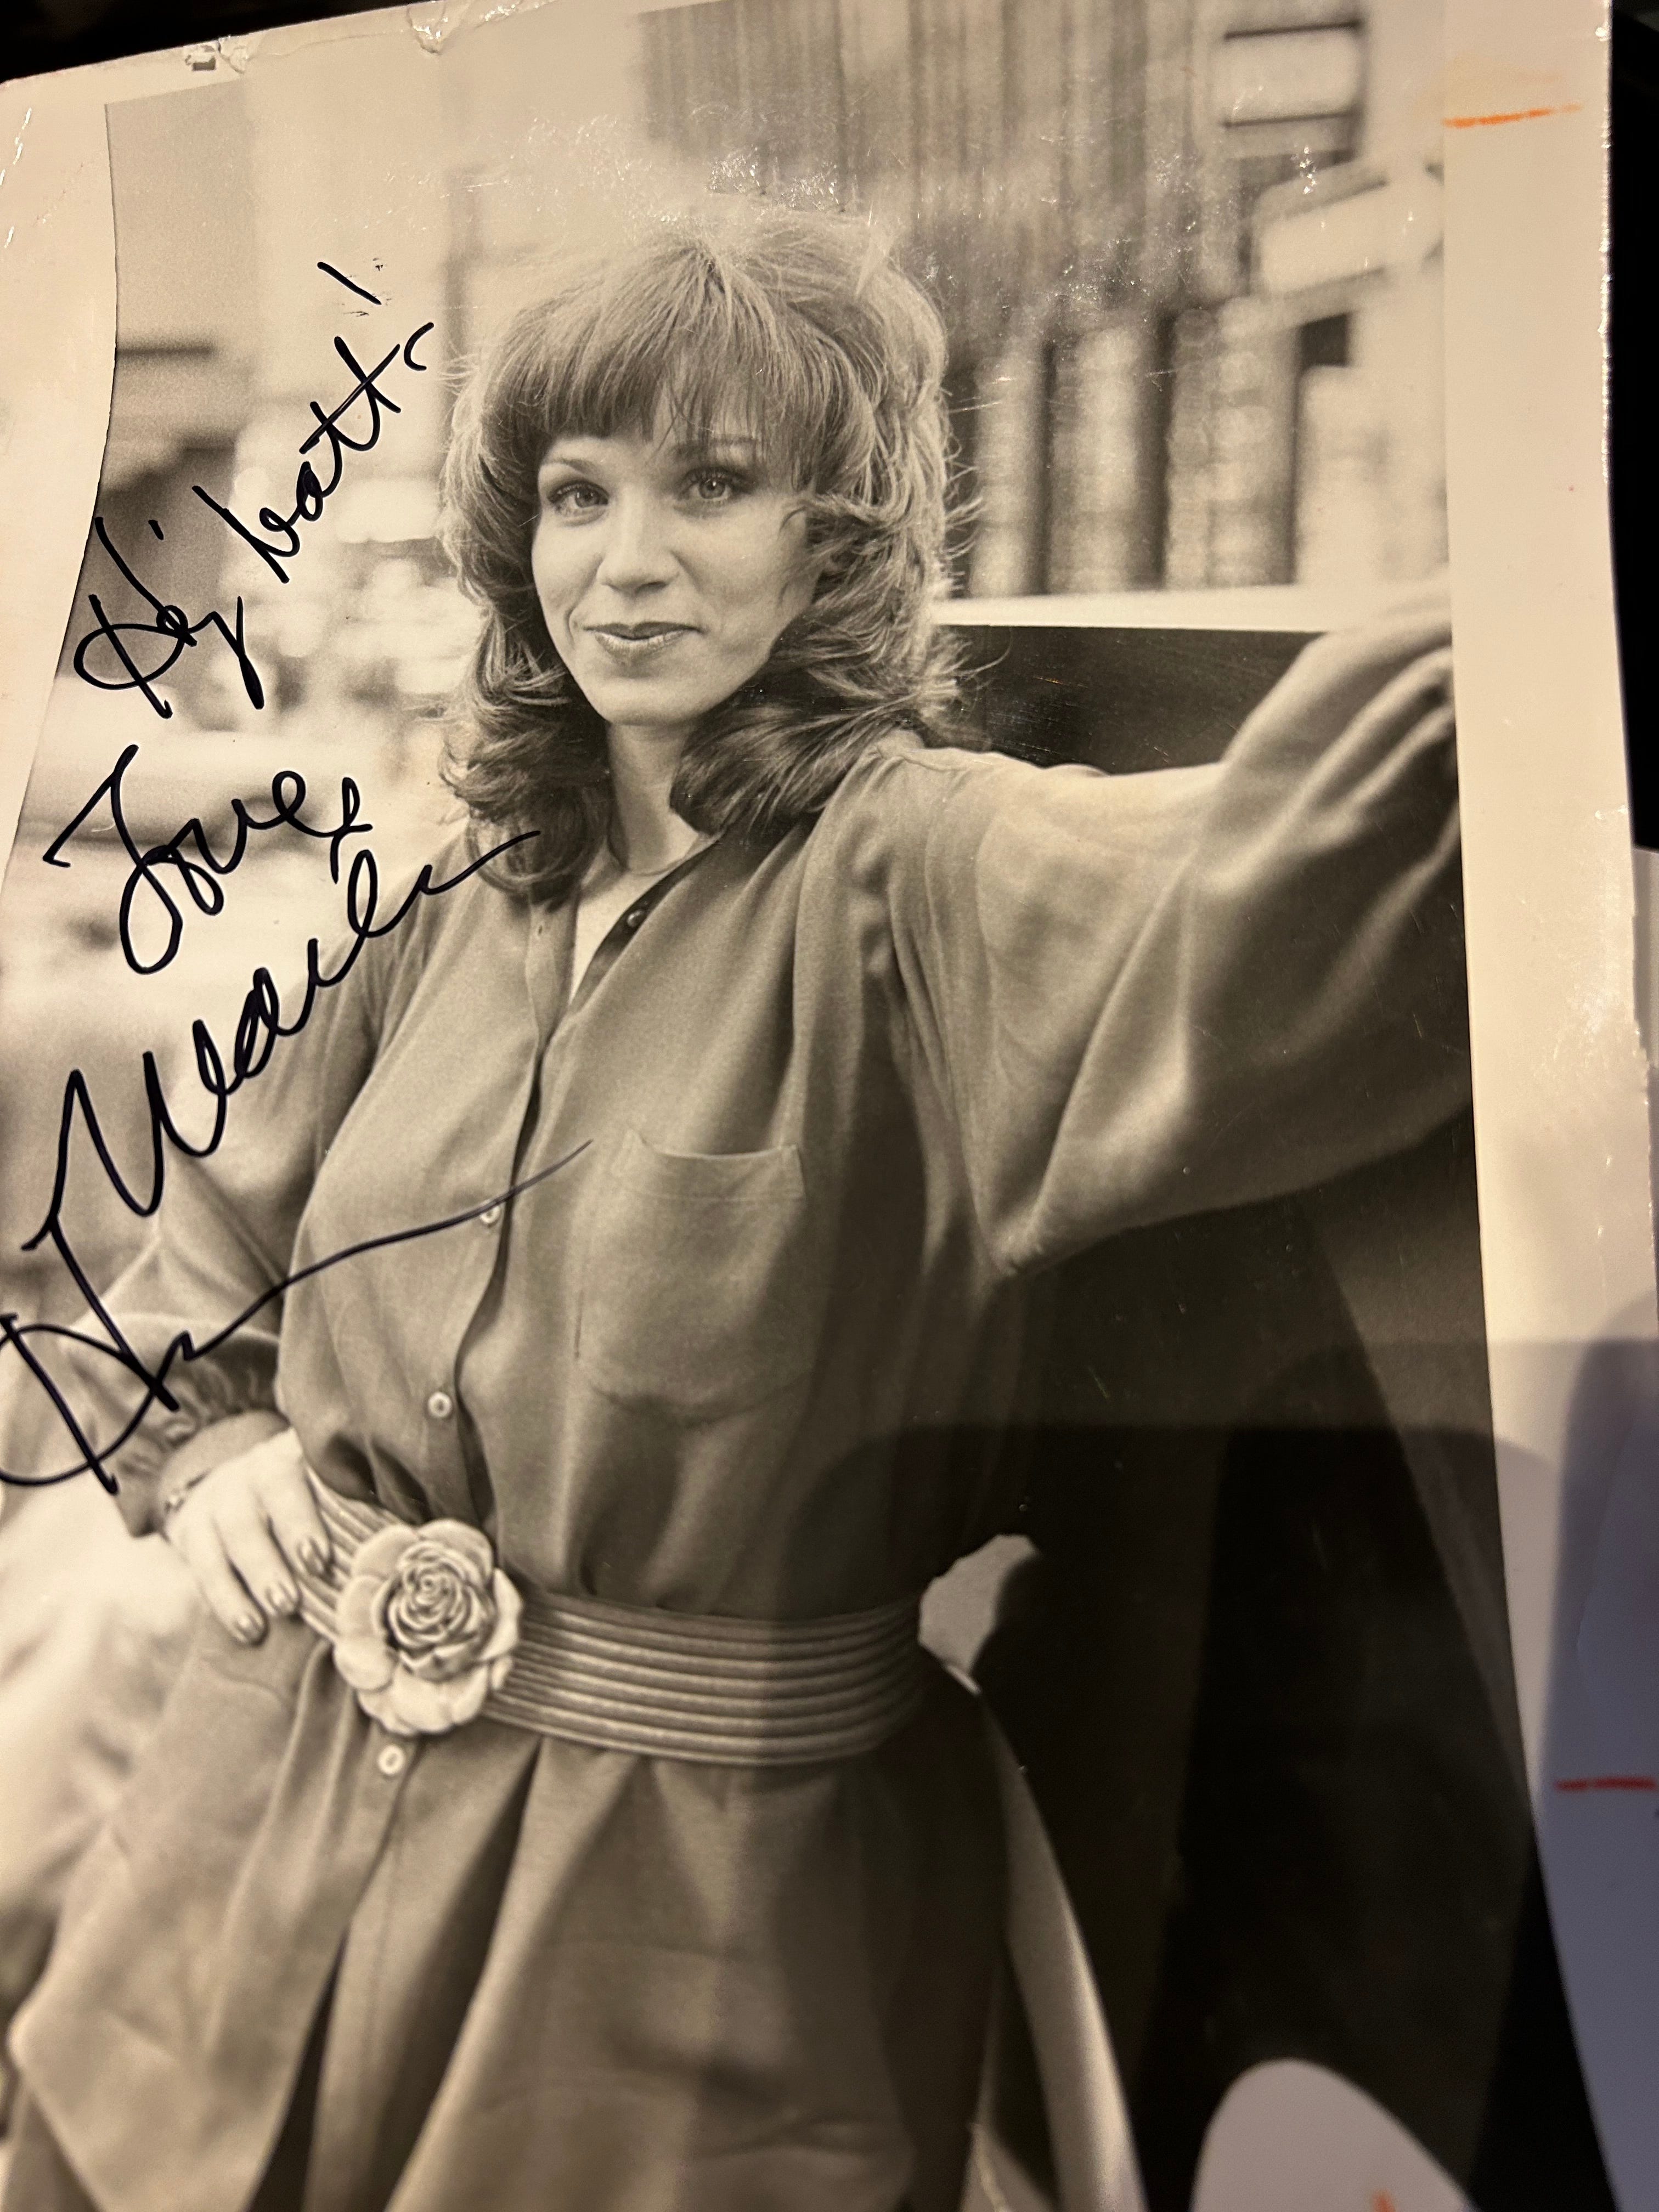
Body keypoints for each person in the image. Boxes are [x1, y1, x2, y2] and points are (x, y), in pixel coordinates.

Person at [2, 208, 1464, 2212]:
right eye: (578, 493)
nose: (630, 561)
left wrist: (1545, 600)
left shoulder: (921, 871)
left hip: (681, 1951)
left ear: (837, 534)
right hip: (244, 1863)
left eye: (714, 485)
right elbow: (186, 1292)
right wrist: (211, 1451)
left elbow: (1285, 876)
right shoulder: (451, 875)